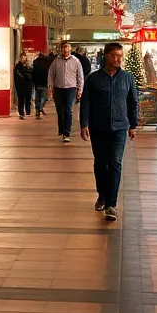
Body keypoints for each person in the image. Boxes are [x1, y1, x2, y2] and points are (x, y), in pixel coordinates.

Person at [81, 41, 139, 222]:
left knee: (115, 162)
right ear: (106, 56)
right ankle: (102, 194)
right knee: (100, 163)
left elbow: (133, 102)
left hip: (120, 128)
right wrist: (84, 124)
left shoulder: (127, 78)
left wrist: (133, 125)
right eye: (114, 56)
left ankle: (111, 204)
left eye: (120, 56)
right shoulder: (94, 78)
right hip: (98, 128)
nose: (117, 59)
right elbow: (86, 103)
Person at [49, 40, 86, 143]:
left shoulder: (76, 61)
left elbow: (80, 76)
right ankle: (61, 129)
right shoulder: (56, 61)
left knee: (68, 110)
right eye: (63, 48)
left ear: (70, 49)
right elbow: (51, 74)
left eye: (66, 47)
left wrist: (80, 90)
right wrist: (50, 88)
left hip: (71, 89)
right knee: (60, 110)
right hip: (58, 89)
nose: (65, 49)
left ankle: (67, 132)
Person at [31, 49, 51, 119]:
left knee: (37, 98)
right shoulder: (47, 63)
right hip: (44, 83)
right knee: (44, 98)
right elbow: (49, 74)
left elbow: (33, 73)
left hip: (37, 83)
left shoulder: (35, 63)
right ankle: (40, 108)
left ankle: (37, 111)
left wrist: (33, 81)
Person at [14, 50, 34, 119]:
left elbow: (32, 74)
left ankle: (28, 111)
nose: (23, 59)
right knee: (21, 100)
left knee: (28, 98)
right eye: (22, 57)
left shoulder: (29, 65)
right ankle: (21, 113)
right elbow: (17, 76)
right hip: (20, 86)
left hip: (28, 85)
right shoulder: (18, 66)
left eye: (24, 57)